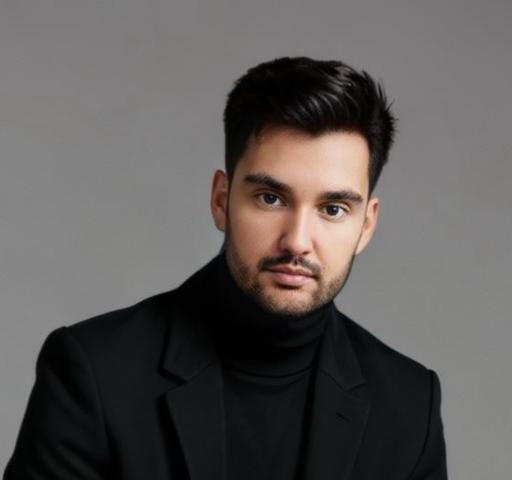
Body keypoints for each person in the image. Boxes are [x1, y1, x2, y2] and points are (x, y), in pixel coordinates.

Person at [4, 56, 448, 479]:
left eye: (333, 209)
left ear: (366, 225)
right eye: (270, 198)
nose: (297, 241)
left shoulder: (409, 405)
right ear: (221, 201)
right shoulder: (95, 373)